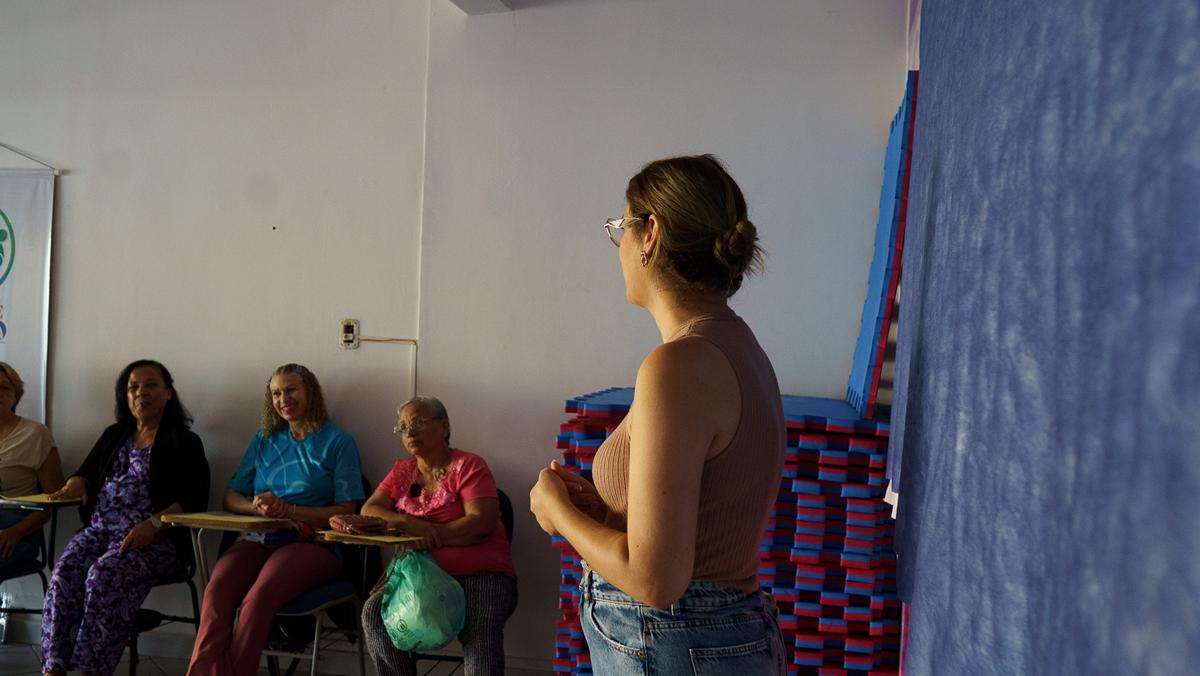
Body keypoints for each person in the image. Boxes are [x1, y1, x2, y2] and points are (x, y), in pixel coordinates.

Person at [529, 155, 787, 674]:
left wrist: (560, 516)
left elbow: (654, 580)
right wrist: (606, 514)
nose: (618, 245)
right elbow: (704, 520)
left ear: (651, 234)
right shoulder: (736, 345)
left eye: (620, 227)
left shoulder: (678, 366)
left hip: (678, 642)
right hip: (711, 640)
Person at [188, 363, 364, 676]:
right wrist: (256, 508)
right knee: (216, 591)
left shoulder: (338, 442)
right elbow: (230, 496)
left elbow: (347, 509)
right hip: (260, 536)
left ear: (310, 392)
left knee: (259, 597)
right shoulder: (265, 438)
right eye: (276, 393)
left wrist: (289, 510)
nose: (284, 399)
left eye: (291, 389)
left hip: (311, 542)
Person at [41, 359, 209, 676]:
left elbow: (192, 500)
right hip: (99, 532)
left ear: (168, 393)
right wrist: (76, 482)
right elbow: (85, 473)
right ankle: (54, 669)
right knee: (63, 574)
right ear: (125, 395)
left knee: (104, 574)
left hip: (155, 540)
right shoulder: (114, 435)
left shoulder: (185, 442)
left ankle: (91, 670)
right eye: (133, 387)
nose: (141, 393)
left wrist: (153, 525)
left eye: (151, 385)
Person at [358, 396, 517, 676]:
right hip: (418, 576)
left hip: (480, 574)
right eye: (403, 427)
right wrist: (409, 523)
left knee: (480, 623)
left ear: (444, 427)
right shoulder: (402, 471)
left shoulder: (469, 465)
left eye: (418, 422)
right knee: (374, 614)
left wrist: (428, 535)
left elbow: (482, 522)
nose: (409, 432)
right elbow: (369, 510)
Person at [0, 361, 65, 575]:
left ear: (15, 395)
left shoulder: (35, 434)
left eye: (5, 388)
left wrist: (16, 532)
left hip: (17, 530)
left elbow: (53, 500)